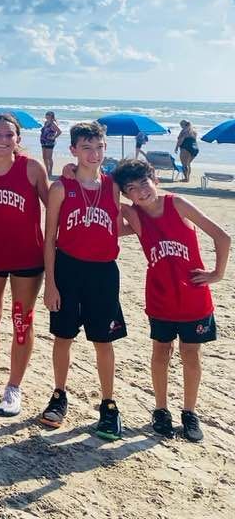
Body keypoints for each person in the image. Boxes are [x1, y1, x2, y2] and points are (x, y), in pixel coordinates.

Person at [113, 159, 230, 442]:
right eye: (132, 188)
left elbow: (222, 236)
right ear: (127, 194)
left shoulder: (177, 204)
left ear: (156, 180)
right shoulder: (134, 215)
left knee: (190, 355)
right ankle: (161, 410)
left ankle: (189, 412)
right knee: (161, 352)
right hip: (160, 297)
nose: (141, 191)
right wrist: (115, 193)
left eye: (144, 183)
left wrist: (216, 274)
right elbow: (113, 222)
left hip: (193, 297)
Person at [40, 122, 127, 440]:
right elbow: (49, 238)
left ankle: (108, 404)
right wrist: (50, 282)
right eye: (87, 147)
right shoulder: (61, 187)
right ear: (73, 150)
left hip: (103, 271)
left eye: (99, 147)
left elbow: (119, 223)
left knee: (103, 340)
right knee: (63, 336)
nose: (94, 154)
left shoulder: (114, 185)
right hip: (67, 268)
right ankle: (59, 394)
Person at [0, 113, 50, 416]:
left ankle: (13, 388)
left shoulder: (31, 167)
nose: (3, 140)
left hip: (28, 256)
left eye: (9, 135)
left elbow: (52, 205)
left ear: (18, 139)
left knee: (21, 320)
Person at [40, 111, 62, 178]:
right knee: (44, 157)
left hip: (50, 142)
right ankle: (47, 171)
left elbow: (59, 131)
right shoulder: (46, 122)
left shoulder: (53, 123)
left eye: (48, 115)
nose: (46, 116)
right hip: (43, 141)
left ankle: (50, 172)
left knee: (49, 158)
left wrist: (54, 137)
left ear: (52, 116)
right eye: (46, 115)